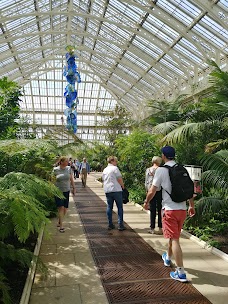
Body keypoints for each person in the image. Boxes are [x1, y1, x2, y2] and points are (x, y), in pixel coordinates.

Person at [144, 146, 195, 282]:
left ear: (163, 156)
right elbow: (189, 188)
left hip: (169, 210)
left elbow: (152, 190)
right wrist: (191, 206)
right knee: (173, 237)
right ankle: (167, 258)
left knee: (175, 240)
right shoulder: (181, 168)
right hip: (182, 210)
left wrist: (146, 202)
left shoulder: (161, 170)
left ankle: (181, 272)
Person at [52, 156, 76, 233]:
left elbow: (71, 179)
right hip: (58, 191)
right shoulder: (55, 170)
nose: (67, 163)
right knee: (61, 208)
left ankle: (60, 220)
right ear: (61, 162)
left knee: (65, 208)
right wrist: (51, 190)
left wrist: (74, 188)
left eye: (67, 161)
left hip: (66, 190)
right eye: (66, 161)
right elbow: (52, 180)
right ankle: (61, 226)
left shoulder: (69, 169)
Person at [102, 156, 126, 231]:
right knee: (119, 207)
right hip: (116, 190)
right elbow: (119, 179)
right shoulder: (115, 168)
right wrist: (123, 186)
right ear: (112, 161)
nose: (116, 162)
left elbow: (103, 179)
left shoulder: (105, 170)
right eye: (116, 161)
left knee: (109, 207)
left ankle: (110, 224)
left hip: (108, 190)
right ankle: (120, 225)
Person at [145, 156, 163, 234]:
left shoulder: (148, 170)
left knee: (152, 209)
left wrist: (147, 191)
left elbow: (146, 181)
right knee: (160, 209)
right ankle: (160, 227)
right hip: (159, 190)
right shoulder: (161, 170)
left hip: (150, 190)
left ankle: (152, 228)